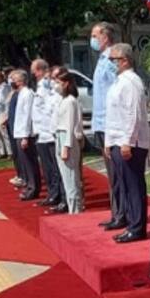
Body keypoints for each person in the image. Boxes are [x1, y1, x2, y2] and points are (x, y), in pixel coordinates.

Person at [102, 44, 150, 242]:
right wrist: (108, 141)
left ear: (125, 61)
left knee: (133, 185)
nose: (110, 63)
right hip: (117, 139)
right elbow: (113, 115)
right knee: (124, 184)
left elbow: (133, 115)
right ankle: (129, 222)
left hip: (130, 142)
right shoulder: (118, 82)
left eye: (113, 60)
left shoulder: (130, 82)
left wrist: (127, 142)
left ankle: (137, 227)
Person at [89, 22, 118, 212]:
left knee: (116, 173)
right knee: (110, 172)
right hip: (100, 122)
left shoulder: (112, 60)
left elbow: (116, 91)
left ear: (105, 37)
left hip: (110, 123)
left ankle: (120, 212)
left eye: (94, 35)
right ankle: (116, 211)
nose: (92, 40)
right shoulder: (101, 60)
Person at [31, 59, 64, 210]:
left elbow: (50, 110)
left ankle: (58, 196)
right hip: (42, 132)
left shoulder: (51, 88)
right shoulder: (40, 86)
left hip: (50, 133)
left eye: (34, 70)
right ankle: (52, 193)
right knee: (47, 168)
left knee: (54, 168)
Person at [53, 71, 84, 214]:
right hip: (60, 136)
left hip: (67, 138)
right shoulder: (63, 100)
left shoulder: (71, 101)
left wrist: (66, 146)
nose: (56, 85)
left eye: (58, 82)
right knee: (66, 178)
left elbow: (70, 125)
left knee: (72, 179)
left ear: (66, 84)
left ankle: (76, 210)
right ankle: (73, 209)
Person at [11, 68, 41, 201]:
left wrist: (25, 136)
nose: (12, 82)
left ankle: (33, 188)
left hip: (25, 133)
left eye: (14, 80)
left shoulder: (28, 94)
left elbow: (28, 115)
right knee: (24, 162)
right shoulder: (20, 93)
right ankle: (29, 185)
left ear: (21, 81)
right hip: (18, 132)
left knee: (30, 162)